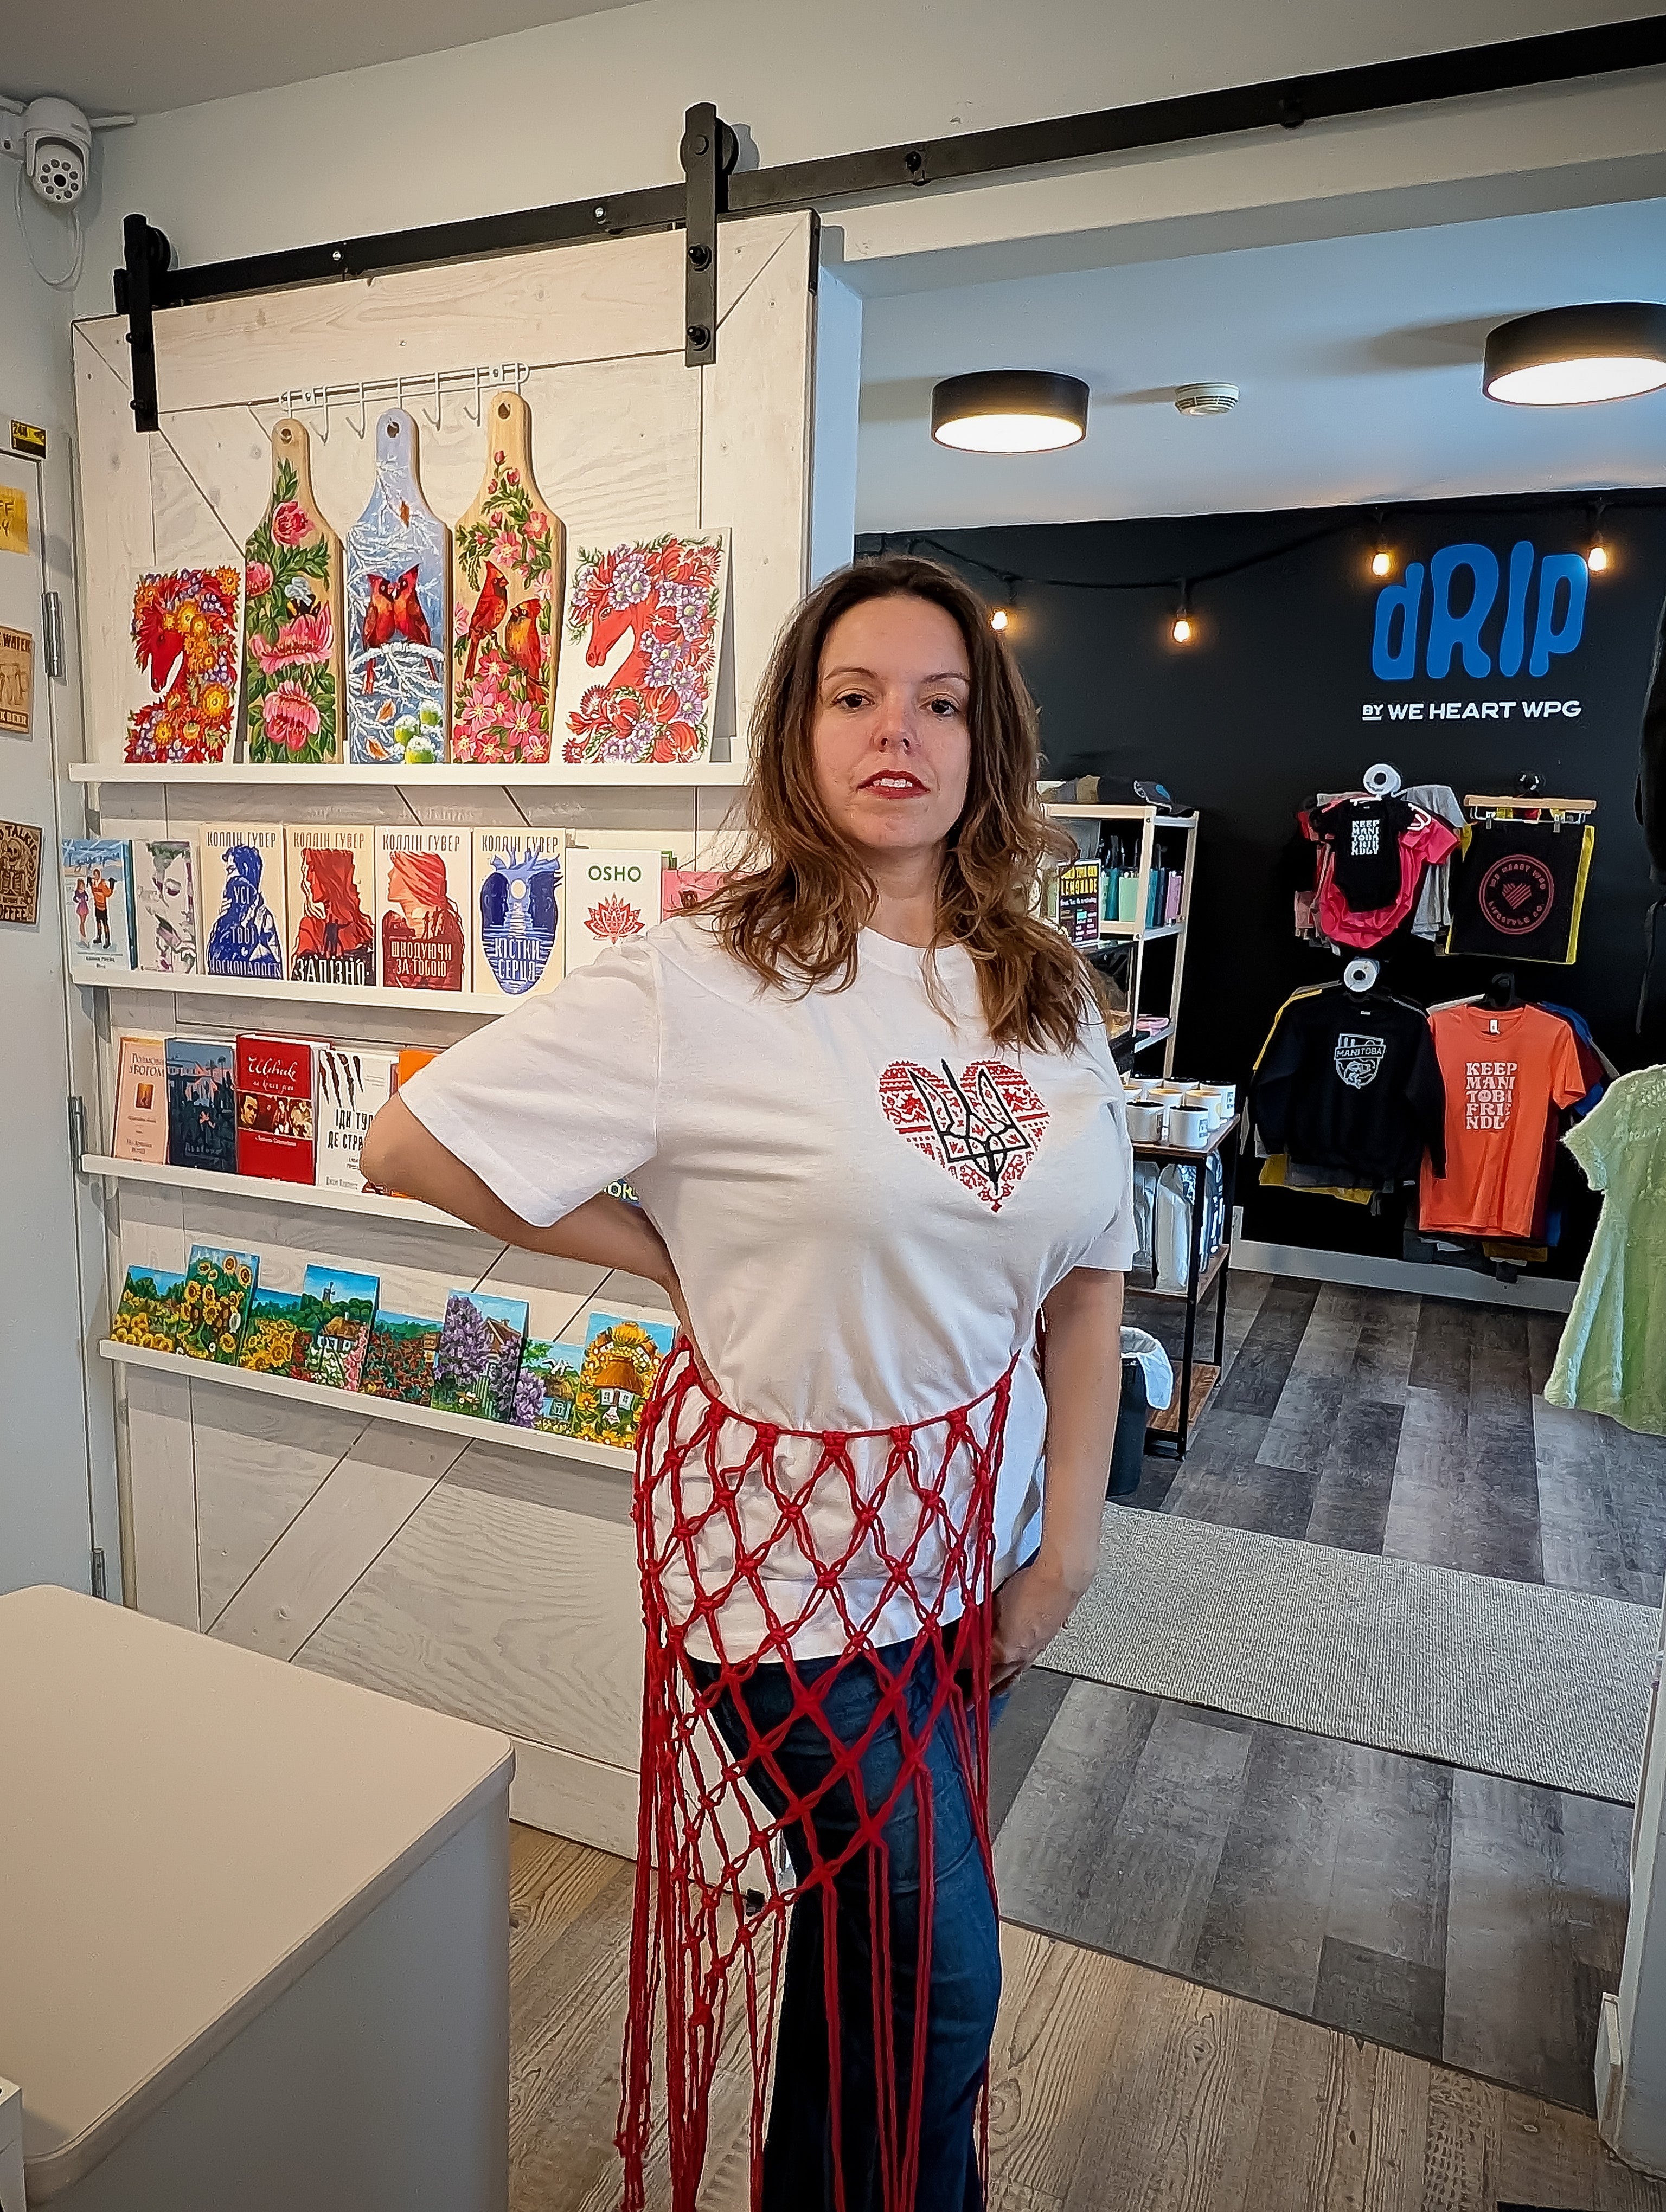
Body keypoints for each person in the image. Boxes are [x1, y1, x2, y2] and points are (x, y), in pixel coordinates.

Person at [360, 554, 1132, 2212]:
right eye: (855, 696)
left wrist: (1067, 1547)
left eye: (940, 701)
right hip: (778, 1575)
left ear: (989, 742)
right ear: (799, 731)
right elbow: (410, 1140)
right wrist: (664, 1257)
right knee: (941, 1975)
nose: (897, 732)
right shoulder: (699, 982)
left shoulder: (1048, 1000)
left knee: (873, 1969)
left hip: (965, 1559)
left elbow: (1087, 1281)